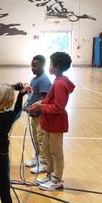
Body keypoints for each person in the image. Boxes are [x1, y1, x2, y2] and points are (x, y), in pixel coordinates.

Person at [30, 52, 75, 191]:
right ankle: (50, 175)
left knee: (56, 152)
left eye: (50, 64)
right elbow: (52, 100)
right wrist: (41, 102)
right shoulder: (57, 80)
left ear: (56, 67)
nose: (48, 66)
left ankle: (57, 180)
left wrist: (41, 106)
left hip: (56, 123)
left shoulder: (60, 84)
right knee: (47, 150)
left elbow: (58, 107)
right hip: (49, 122)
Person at [24, 55, 51, 174]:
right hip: (33, 115)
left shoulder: (44, 80)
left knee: (41, 139)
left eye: (35, 66)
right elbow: (32, 95)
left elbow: (44, 98)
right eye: (32, 65)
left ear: (42, 66)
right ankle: (37, 157)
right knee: (35, 138)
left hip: (40, 116)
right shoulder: (35, 79)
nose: (32, 68)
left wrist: (36, 108)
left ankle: (44, 163)